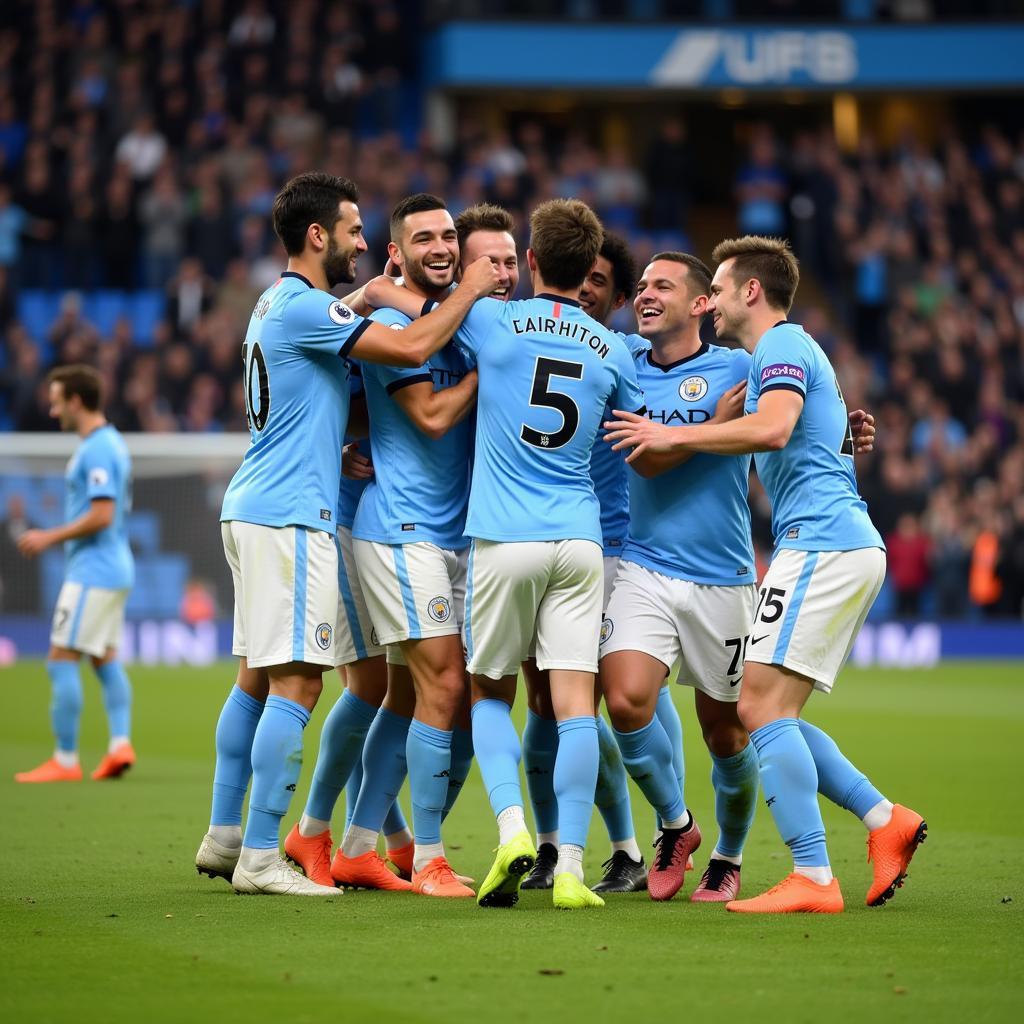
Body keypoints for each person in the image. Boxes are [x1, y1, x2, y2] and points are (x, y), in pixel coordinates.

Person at [193, 172, 498, 897]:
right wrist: (473, 290)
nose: (365, 244)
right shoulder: (303, 307)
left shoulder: (276, 301)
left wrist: (344, 427)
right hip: (292, 515)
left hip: (258, 503)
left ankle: (223, 834)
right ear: (318, 235)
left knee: (255, 677)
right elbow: (418, 341)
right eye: (356, 231)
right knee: (297, 682)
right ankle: (263, 858)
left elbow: (322, 384)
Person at [604, 235, 924, 914]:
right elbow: (819, 430)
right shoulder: (782, 354)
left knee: (753, 710)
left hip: (820, 545)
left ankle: (811, 872)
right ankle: (881, 819)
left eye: (717, 289)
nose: (712, 302)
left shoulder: (778, 345)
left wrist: (675, 435)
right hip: (834, 543)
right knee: (764, 710)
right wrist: (846, 429)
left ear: (751, 290)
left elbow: (775, 429)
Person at [441, 200, 645, 910]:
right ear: (586, 266)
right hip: (581, 542)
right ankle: (571, 870)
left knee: (490, 693)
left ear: (529, 261)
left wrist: (381, 288)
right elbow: (642, 424)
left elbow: (422, 319)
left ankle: (512, 833)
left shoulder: (491, 320)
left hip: (505, 538)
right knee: (573, 708)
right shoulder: (613, 350)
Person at [331, 194, 480, 898]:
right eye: (424, 238)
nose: (442, 247)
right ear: (398, 251)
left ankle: (359, 844)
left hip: (454, 533)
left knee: (401, 694)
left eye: (450, 235)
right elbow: (429, 415)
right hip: (400, 529)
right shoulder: (392, 320)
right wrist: (494, 373)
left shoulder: (460, 318)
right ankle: (428, 859)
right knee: (442, 684)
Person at [520, 232, 656, 896]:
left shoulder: (629, 354)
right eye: (585, 276)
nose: (589, 289)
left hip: (609, 547)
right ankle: (551, 846)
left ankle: (637, 842)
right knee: (543, 704)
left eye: (602, 281)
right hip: (533, 539)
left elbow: (707, 395)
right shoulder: (528, 341)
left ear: (619, 298)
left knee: (599, 702)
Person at [15, 365, 136, 784]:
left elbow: (102, 514)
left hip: (93, 570)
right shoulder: (110, 442)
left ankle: (65, 760)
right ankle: (120, 744)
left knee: (59, 660)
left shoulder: (97, 449)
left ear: (76, 401)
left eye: (56, 401)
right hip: (115, 566)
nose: (52, 411)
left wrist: (49, 536)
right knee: (103, 658)